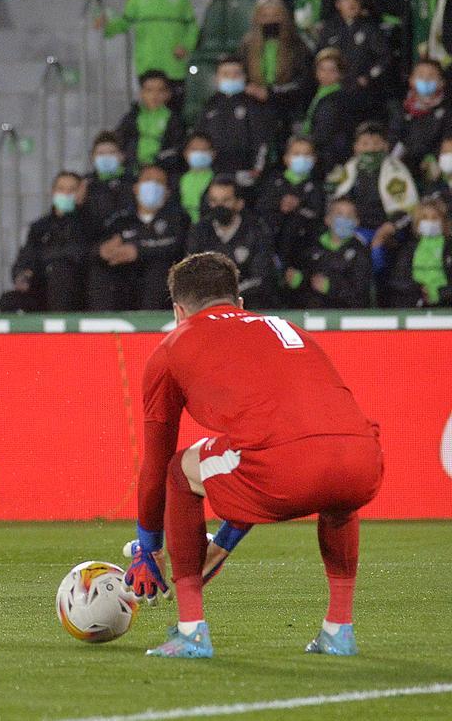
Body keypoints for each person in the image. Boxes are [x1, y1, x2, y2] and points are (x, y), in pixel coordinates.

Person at [126, 251, 383, 657]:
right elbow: (277, 440)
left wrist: (148, 546)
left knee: (180, 470)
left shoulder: (172, 348)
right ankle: (339, 631)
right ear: (239, 302)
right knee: (337, 495)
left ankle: (191, 631)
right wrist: (224, 543)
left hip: (284, 469)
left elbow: (157, 463)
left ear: (179, 311)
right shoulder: (286, 326)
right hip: (362, 459)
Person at [99, 0, 197, 102]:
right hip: (147, 63)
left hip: (174, 64)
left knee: (174, 108)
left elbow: (192, 25)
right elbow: (124, 22)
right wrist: (108, 24)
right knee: (150, 107)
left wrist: (186, 45)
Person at [327, 121, 419, 270]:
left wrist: (387, 230)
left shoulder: (396, 170)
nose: (370, 148)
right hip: (357, 227)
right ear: (356, 147)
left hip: (386, 229)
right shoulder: (349, 168)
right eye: (365, 144)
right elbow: (336, 199)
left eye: (376, 143)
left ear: (385, 146)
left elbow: (409, 210)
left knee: (376, 251)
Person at [96, 165, 188, 310]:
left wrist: (138, 250)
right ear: (136, 188)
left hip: (159, 281)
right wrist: (102, 251)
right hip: (125, 277)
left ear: (167, 192)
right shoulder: (120, 220)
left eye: (159, 182)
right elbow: (100, 246)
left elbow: (176, 246)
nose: (152, 186)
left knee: (158, 268)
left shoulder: (178, 219)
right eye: (148, 180)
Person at [0, 171, 92, 312]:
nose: (66, 194)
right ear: (53, 192)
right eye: (61, 189)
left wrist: (45, 262)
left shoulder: (87, 223)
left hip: (75, 288)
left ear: (81, 194)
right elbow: (26, 256)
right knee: (9, 300)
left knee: (60, 274)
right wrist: (21, 275)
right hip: (42, 287)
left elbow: (77, 253)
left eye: (72, 190)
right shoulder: (40, 227)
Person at [185, 176, 279, 308]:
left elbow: (261, 276)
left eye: (226, 200)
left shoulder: (256, 230)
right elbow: (192, 272)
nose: (219, 206)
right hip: (207, 304)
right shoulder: (200, 230)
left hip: (249, 303)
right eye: (214, 201)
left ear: (239, 203)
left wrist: (228, 297)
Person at [239, 0, 314, 140]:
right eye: (265, 15)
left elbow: (304, 81)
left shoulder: (297, 44)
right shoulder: (247, 45)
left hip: (288, 108)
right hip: (255, 107)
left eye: (275, 15)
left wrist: (272, 93)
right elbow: (241, 74)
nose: (270, 20)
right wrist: (252, 89)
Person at [284, 196, 372, 308]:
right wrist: (298, 281)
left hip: (343, 317)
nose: (344, 219)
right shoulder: (309, 246)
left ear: (357, 222)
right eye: (339, 214)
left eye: (349, 216)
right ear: (327, 219)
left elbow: (361, 295)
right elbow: (301, 279)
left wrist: (330, 287)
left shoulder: (361, 252)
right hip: (311, 315)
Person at [196, 56, 274, 179]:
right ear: (217, 79)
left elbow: (261, 139)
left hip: (244, 170)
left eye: (237, 74)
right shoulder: (210, 105)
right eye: (226, 74)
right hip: (213, 169)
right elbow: (200, 138)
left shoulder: (254, 104)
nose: (231, 78)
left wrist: (258, 167)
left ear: (244, 77)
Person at [255, 135, 325, 270]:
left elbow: (317, 215)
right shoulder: (273, 181)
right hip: (271, 244)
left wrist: (297, 207)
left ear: (314, 159)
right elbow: (260, 207)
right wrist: (278, 204)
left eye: (307, 154)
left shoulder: (316, 187)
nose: (302, 159)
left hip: (301, 248)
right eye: (297, 154)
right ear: (286, 158)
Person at [392, 57, 452, 181]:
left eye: (431, 76)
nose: (425, 79)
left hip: (439, 169)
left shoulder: (447, 110)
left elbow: (447, 141)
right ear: (411, 81)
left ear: (441, 82)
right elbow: (395, 141)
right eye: (420, 75)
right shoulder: (402, 110)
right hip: (408, 169)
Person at [301, 47, 357, 178]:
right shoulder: (320, 94)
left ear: (340, 73)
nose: (326, 74)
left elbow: (324, 134)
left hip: (329, 159)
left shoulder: (336, 99)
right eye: (322, 69)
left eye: (332, 70)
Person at [115, 70, 186, 172]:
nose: (154, 95)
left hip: (162, 171)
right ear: (141, 93)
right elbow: (120, 142)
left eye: (160, 90)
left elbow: (177, 148)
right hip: (132, 171)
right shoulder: (131, 117)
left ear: (168, 94)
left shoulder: (175, 119)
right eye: (149, 90)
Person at [389, 195, 452, 304]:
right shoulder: (409, 247)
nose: (430, 222)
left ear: (443, 221)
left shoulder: (449, 246)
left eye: (435, 217)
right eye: (425, 218)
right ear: (418, 222)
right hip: (415, 306)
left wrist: (440, 293)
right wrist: (418, 290)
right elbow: (398, 279)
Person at [177, 133, 215, 225]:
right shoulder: (179, 180)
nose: (199, 153)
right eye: (194, 149)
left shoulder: (218, 179)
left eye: (204, 150)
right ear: (185, 153)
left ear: (213, 154)